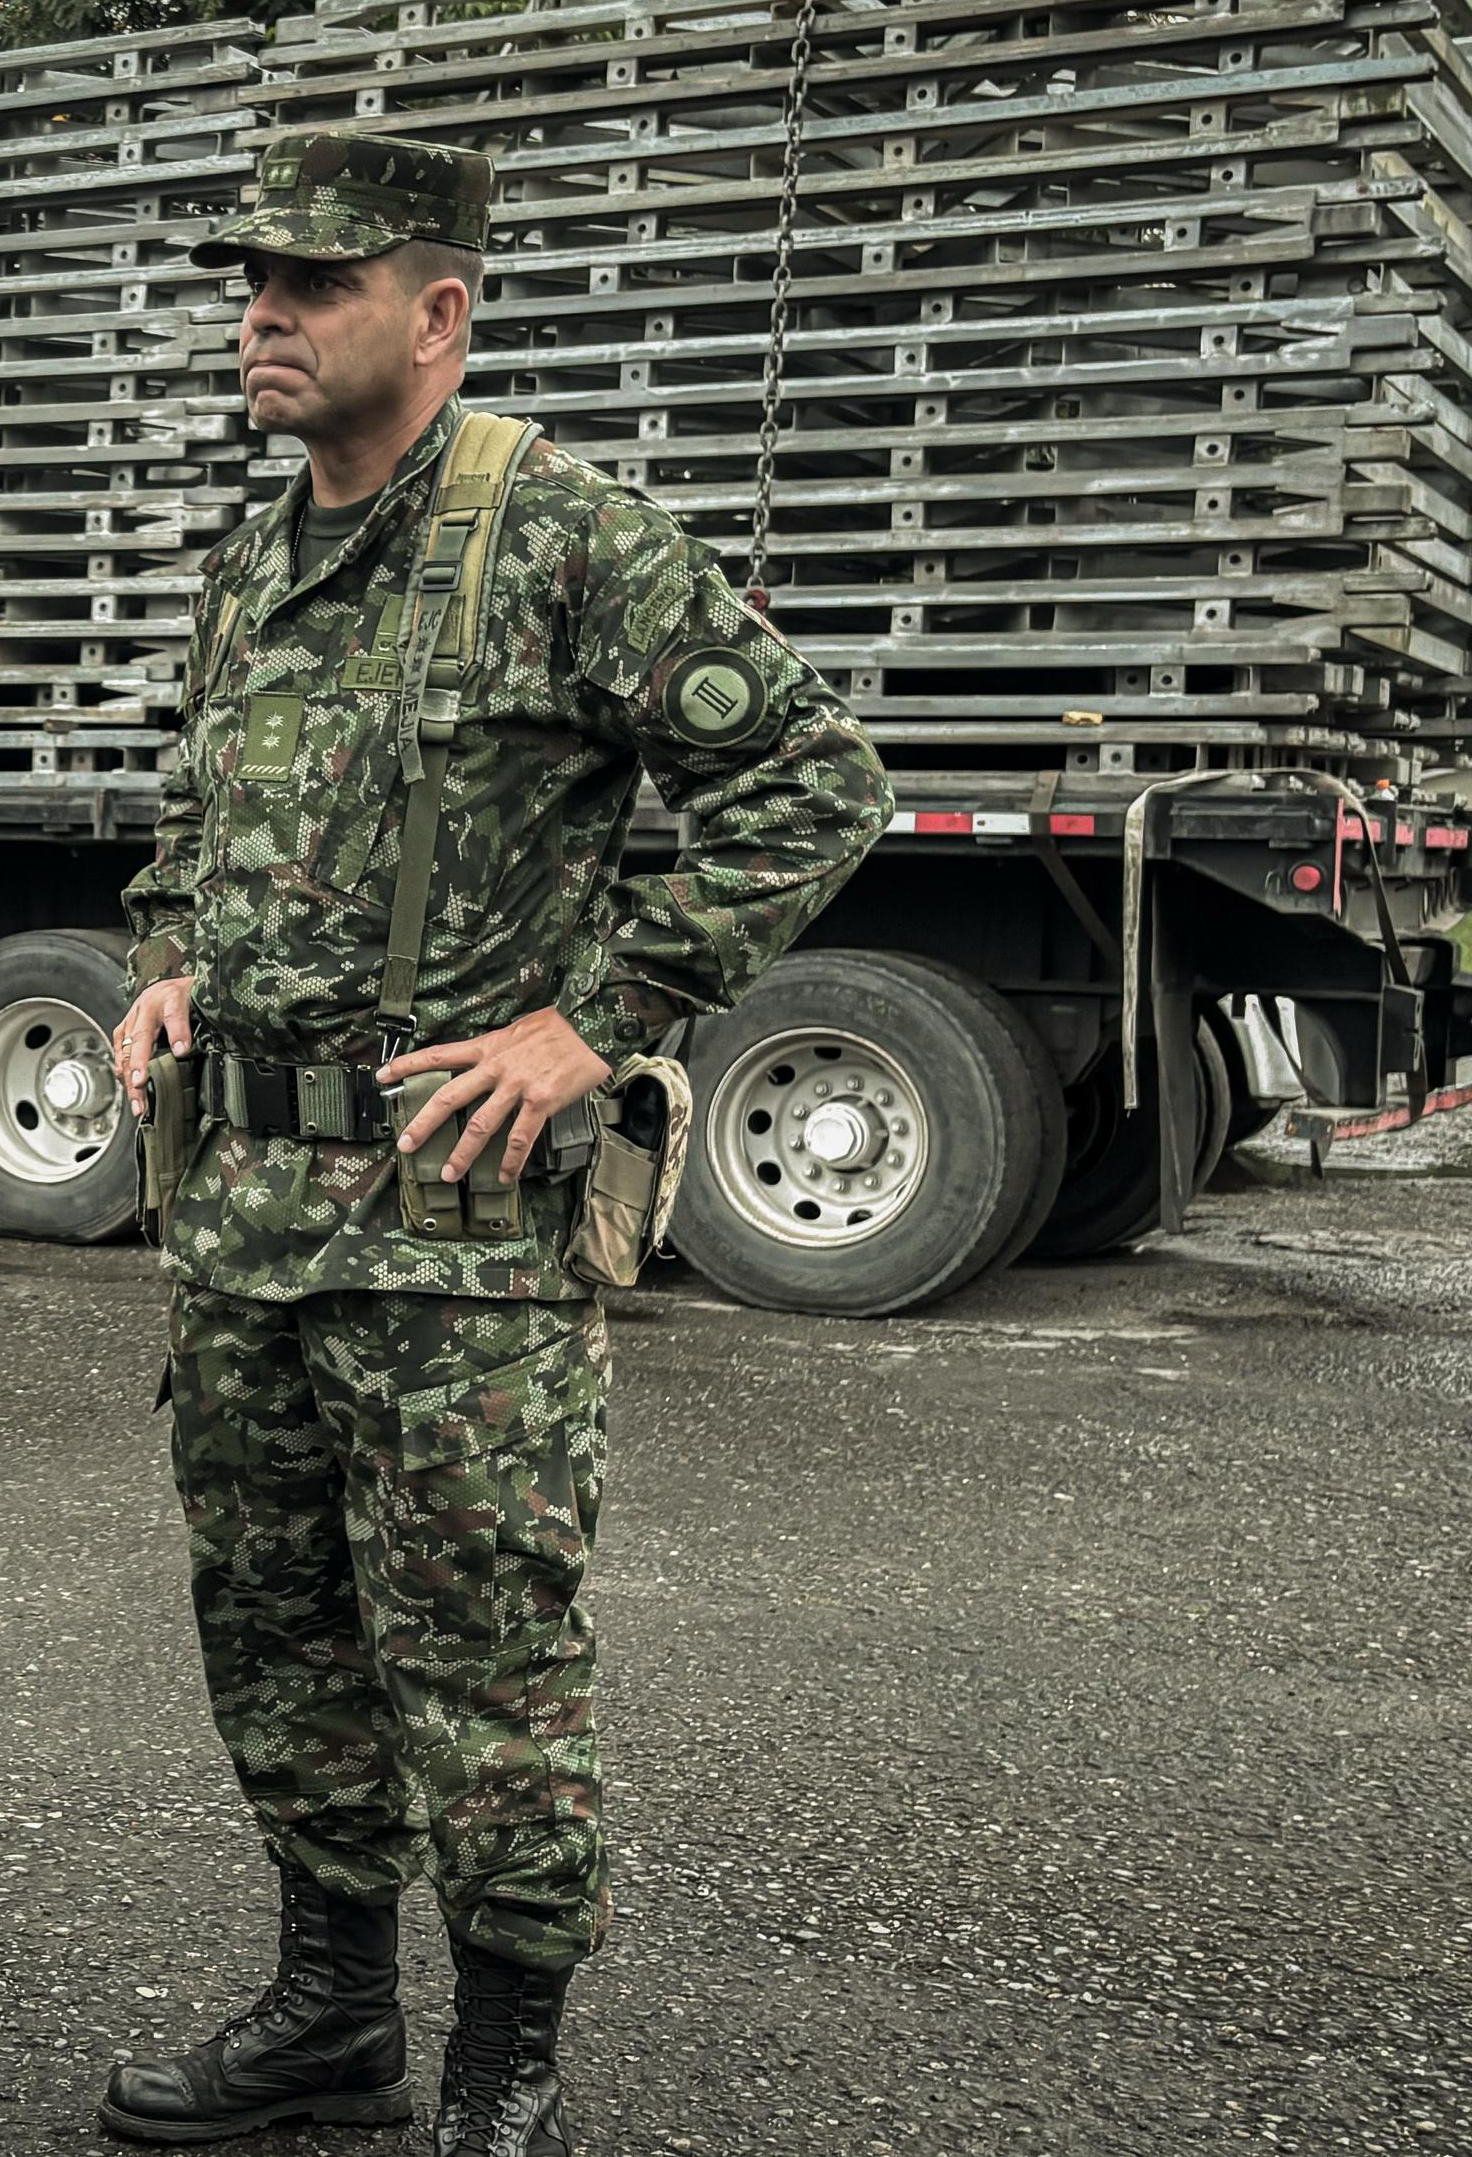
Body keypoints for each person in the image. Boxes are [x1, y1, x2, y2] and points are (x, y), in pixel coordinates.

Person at [101, 130, 891, 2154]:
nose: (261, 313)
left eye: (315, 282)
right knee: (276, 1642)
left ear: (436, 315)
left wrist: (592, 1021)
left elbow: (808, 782)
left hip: (454, 1236)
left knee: (486, 1665)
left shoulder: (558, 537)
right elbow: (194, 815)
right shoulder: (254, 553)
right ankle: (330, 2015)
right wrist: (171, 955)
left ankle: (499, 2077)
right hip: (250, 1221)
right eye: (251, 277)